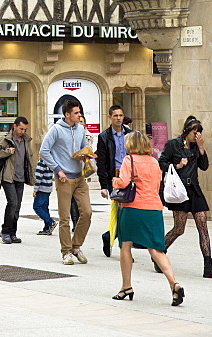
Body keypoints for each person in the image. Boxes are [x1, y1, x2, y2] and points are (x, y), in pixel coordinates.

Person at [111, 130, 184, 306]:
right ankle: (173, 283)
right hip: (154, 208)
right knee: (156, 249)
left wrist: (115, 181)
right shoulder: (154, 162)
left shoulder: (130, 160)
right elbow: (157, 183)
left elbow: (124, 182)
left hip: (133, 209)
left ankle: (126, 286)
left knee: (125, 245)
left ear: (131, 144)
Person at [39, 99, 92, 265]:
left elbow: (85, 149)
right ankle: (66, 252)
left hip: (80, 177)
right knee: (64, 218)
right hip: (64, 178)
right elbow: (44, 151)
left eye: (79, 112)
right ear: (67, 114)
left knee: (87, 212)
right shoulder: (56, 130)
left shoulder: (81, 129)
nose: (79, 115)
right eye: (76, 113)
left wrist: (89, 160)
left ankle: (76, 246)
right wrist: (57, 170)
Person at [158, 116, 210, 278]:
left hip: (194, 189)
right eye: (195, 132)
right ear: (187, 131)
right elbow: (161, 162)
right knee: (179, 229)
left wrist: (201, 148)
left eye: (199, 133)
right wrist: (177, 165)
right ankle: (159, 254)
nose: (197, 136)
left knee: (203, 227)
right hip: (180, 191)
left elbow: (204, 166)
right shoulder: (173, 144)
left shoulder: (196, 147)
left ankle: (208, 264)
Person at [0, 116, 34, 244]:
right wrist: (7, 151)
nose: (23, 132)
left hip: (21, 177)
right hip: (8, 177)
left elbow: (28, 159)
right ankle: (5, 231)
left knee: (17, 206)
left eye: (25, 129)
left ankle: (13, 233)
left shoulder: (26, 140)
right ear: (14, 126)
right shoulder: (6, 140)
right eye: (21, 129)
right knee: (12, 202)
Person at [96, 105, 130, 258]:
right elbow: (101, 163)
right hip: (114, 178)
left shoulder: (130, 134)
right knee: (121, 213)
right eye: (115, 115)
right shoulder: (104, 137)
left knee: (127, 214)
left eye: (121, 115)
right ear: (109, 117)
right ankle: (125, 250)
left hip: (129, 177)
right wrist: (104, 185)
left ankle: (109, 235)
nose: (118, 118)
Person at [33, 157, 57, 235]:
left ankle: (50, 222)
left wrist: (35, 189)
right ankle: (47, 228)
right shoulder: (50, 161)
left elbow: (38, 176)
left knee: (37, 207)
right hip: (48, 187)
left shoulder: (41, 162)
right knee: (44, 207)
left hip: (42, 188)